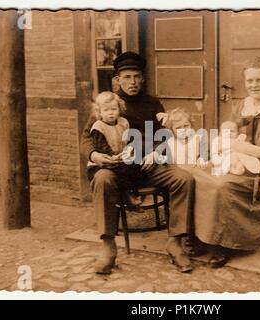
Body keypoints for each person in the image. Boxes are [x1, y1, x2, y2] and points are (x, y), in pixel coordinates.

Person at [80, 52, 195, 274]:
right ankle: (108, 247)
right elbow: (87, 137)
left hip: (148, 167)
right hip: (117, 168)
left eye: (136, 77)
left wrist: (157, 151)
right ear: (118, 79)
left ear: (142, 78)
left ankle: (175, 242)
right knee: (102, 178)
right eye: (127, 77)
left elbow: (167, 133)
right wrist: (94, 155)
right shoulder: (108, 104)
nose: (132, 82)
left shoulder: (153, 103)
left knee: (184, 178)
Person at [191, 56, 260, 268]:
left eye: (259, 80)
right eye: (250, 81)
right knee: (198, 175)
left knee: (222, 184)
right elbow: (231, 135)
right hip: (236, 158)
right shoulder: (242, 106)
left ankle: (223, 244)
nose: (254, 85)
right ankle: (201, 237)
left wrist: (245, 149)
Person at [86, 91, 142, 209]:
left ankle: (131, 192)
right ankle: (126, 196)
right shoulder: (98, 127)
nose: (110, 113)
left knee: (136, 166)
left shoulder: (123, 122)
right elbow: (101, 147)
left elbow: (129, 139)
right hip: (103, 161)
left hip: (120, 159)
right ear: (99, 112)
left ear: (119, 109)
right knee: (121, 171)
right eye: (106, 110)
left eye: (113, 109)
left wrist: (129, 150)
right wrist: (113, 157)